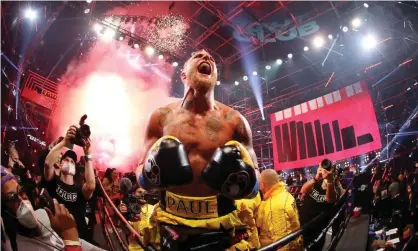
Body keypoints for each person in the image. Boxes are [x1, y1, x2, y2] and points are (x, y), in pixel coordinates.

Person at [136, 49, 260, 250]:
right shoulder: (160, 117)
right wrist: (149, 175)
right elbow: (140, 171)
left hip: (221, 224)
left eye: (211, 58)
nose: (207, 57)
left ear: (215, 78)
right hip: (172, 223)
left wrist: (246, 182)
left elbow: (256, 180)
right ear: (183, 75)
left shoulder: (236, 121)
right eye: (198, 56)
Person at [1, 166, 103, 251]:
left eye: (21, 191)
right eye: (13, 197)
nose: (21, 198)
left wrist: (66, 235)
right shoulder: (18, 247)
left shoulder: (43, 214)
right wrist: (72, 242)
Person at [44, 125, 96, 241]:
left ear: (75, 169)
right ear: (60, 164)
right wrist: (65, 141)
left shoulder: (79, 190)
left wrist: (88, 155)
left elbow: (91, 185)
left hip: (79, 239)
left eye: (72, 162)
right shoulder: (54, 181)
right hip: (55, 238)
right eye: (66, 160)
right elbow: (48, 164)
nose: (69, 162)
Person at [256, 169, 302, 250]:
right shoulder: (285, 194)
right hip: (295, 242)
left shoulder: (274, 205)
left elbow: (282, 243)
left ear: (263, 184)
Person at [299, 159, 337, 251]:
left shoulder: (334, 187)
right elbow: (303, 190)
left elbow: (330, 199)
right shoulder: (315, 182)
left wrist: (330, 181)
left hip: (317, 230)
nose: (323, 169)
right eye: (320, 166)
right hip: (303, 225)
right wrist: (316, 178)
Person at [119, 185, 156, 251]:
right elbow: (125, 230)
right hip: (135, 249)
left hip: (151, 247)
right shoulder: (128, 208)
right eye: (139, 192)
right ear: (134, 194)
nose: (142, 195)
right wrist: (122, 216)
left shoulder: (154, 208)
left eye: (145, 193)